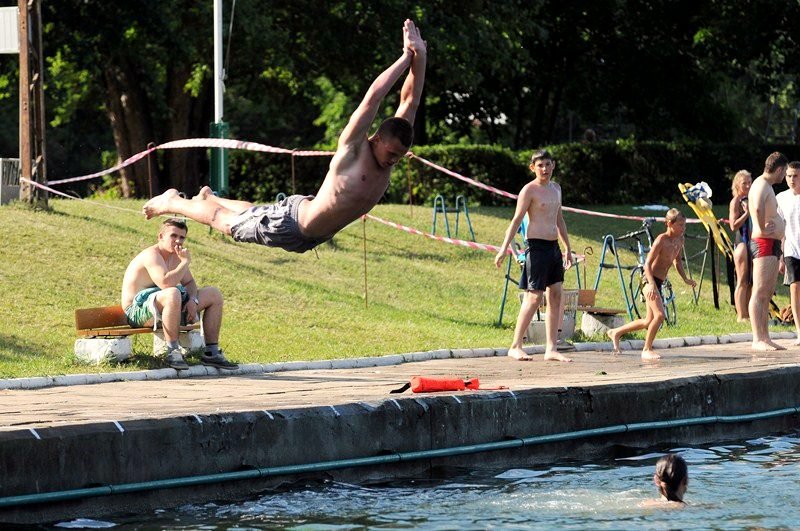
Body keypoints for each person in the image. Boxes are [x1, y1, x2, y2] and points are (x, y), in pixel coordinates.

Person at [142, 19, 426, 253]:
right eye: (391, 154)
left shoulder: (395, 140)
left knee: (253, 212)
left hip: (310, 235)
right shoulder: (353, 149)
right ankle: (173, 202)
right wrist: (404, 58)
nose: (393, 161)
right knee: (230, 225)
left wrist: (420, 56)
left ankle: (209, 197)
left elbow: (410, 100)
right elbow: (372, 98)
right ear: (376, 139)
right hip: (292, 223)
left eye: (399, 157)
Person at [121, 218, 238, 371]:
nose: (178, 241)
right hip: (136, 312)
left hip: (166, 307)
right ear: (161, 236)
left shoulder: (176, 256)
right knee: (172, 293)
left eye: (182, 237)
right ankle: (172, 351)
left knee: (213, 294)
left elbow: (190, 283)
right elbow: (165, 283)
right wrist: (184, 263)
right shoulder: (152, 255)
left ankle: (212, 352)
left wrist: (193, 300)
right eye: (173, 236)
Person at [494, 150, 573, 362]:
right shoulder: (529, 190)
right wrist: (504, 249)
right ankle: (515, 345)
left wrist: (567, 247)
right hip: (536, 248)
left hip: (553, 246)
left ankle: (551, 348)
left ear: (553, 165)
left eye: (548, 164)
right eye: (540, 166)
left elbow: (560, 219)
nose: (544, 169)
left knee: (556, 294)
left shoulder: (556, 189)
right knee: (534, 296)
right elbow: (516, 220)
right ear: (533, 168)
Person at [607, 209, 696, 359]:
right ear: (669, 224)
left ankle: (615, 332)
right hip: (648, 279)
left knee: (649, 320)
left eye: (684, 225)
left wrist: (685, 279)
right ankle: (646, 349)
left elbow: (677, 261)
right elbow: (647, 264)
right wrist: (651, 284)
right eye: (680, 225)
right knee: (660, 316)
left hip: (659, 282)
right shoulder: (661, 240)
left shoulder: (680, 240)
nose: (683, 228)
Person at [748, 152, 788, 352]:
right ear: (779, 169)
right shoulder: (761, 185)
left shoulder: (766, 186)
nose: (785, 177)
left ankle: (765, 337)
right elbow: (756, 209)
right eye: (785, 172)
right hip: (763, 241)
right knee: (760, 292)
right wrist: (763, 229)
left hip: (770, 243)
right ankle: (758, 338)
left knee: (767, 293)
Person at [776, 161, 800, 345]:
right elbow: (780, 228)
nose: (792, 179)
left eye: (796, 176)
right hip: (792, 250)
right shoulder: (781, 198)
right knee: (795, 289)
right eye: (789, 176)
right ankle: (799, 331)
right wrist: (781, 256)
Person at [728, 170, 753, 322]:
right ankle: (741, 315)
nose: (748, 185)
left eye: (750, 182)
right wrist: (746, 214)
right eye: (745, 183)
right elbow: (733, 226)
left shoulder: (751, 198)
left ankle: (749, 314)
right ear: (737, 184)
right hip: (742, 243)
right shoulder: (736, 201)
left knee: (752, 281)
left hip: (754, 242)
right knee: (742, 280)